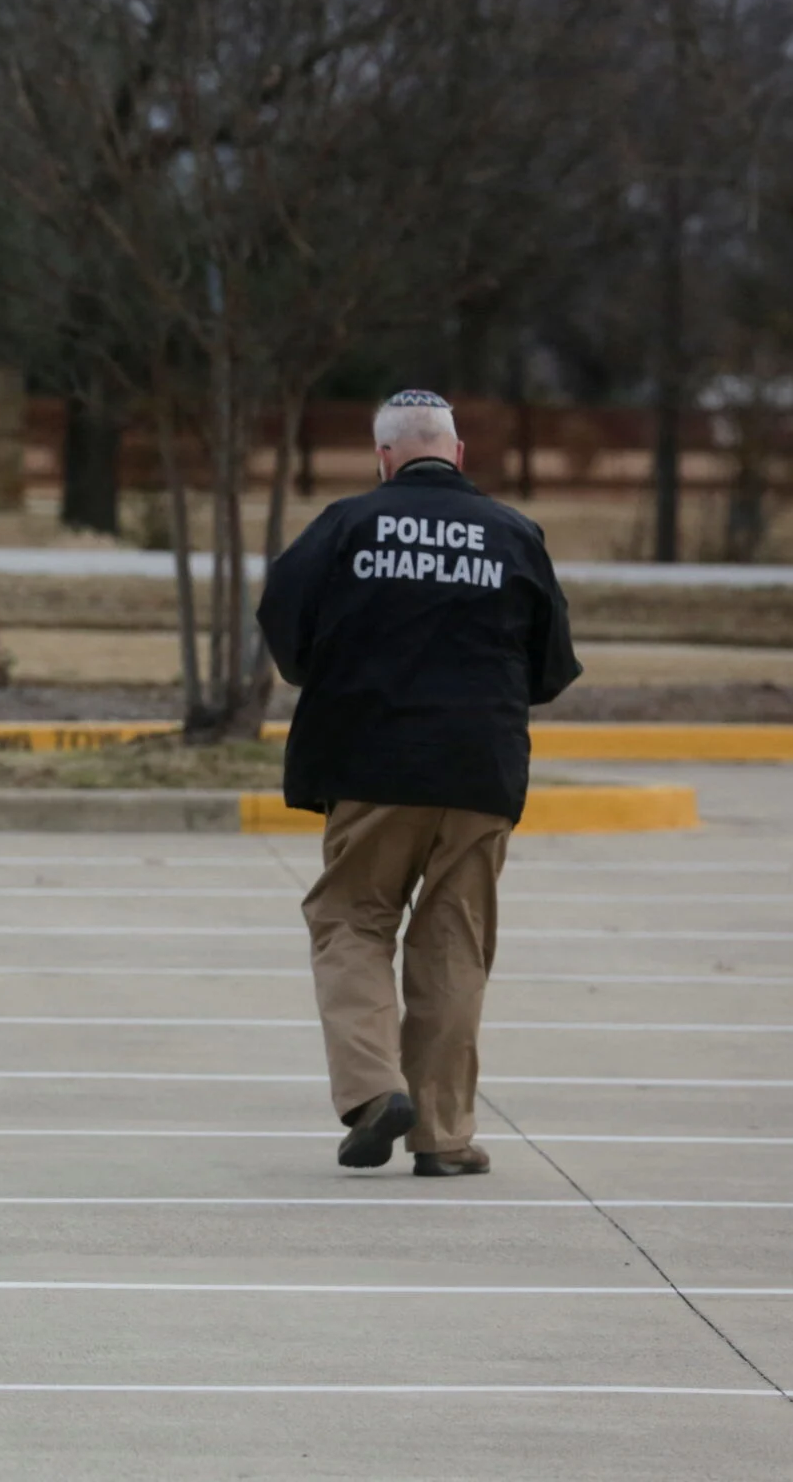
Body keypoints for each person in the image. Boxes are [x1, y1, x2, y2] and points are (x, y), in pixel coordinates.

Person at [253, 390, 581, 1176]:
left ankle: (375, 1090)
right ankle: (443, 1135)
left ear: (384, 457)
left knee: (351, 920)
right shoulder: (514, 532)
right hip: (480, 767)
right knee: (453, 942)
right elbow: (550, 667)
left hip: (370, 762)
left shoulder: (344, 525)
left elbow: (284, 627)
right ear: (458, 453)